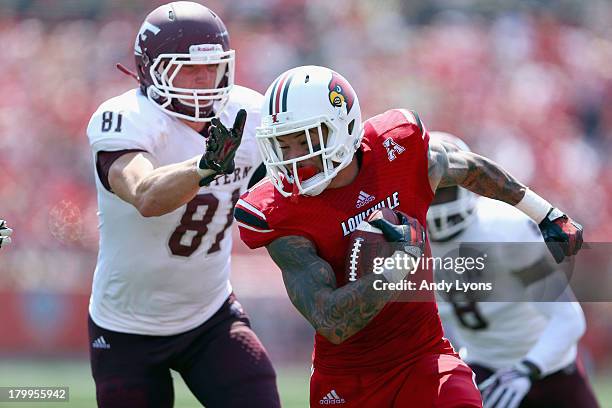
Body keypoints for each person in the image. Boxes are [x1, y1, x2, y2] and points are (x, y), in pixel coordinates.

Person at [234, 65, 583, 407]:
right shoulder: (279, 211)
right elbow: (332, 322)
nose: (295, 158)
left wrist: (546, 213)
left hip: (424, 357)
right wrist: (398, 267)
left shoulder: (396, 152)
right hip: (348, 376)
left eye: (306, 139)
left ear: (343, 127)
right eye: (283, 145)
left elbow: (469, 168)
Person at [86, 2, 279, 407]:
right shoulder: (126, 118)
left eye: (214, 67)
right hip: (126, 329)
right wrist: (205, 167)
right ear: (152, 69)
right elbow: (147, 196)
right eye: (190, 69)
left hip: (209, 316)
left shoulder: (249, 113)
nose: (205, 80)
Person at [427, 132, 599, 408]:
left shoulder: (504, 228)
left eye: (445, 188)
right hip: (484, 370)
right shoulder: (409, 244)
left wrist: (527, 369)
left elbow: (568, 318)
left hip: (549, 366)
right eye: (432, 190)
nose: (438, 201)